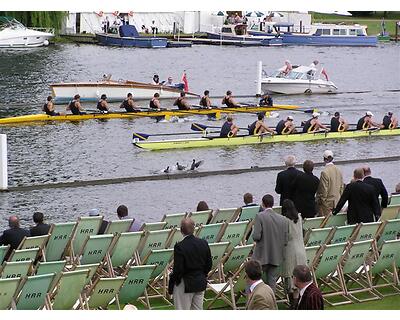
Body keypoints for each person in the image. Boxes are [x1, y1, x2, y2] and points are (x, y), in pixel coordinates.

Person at [168, 218, 212, 310]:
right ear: (194, 229)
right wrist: (202, 275)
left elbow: (178, 270)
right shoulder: (203, 243)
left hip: (185, 284)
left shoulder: (180, 246)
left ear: (181, 230)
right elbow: (209, 264)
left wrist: (173, 281)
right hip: (200, 282)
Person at [252, 194, 289, 292]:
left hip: (261, 255)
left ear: (263, 204)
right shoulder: (283, 219)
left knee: (255, 280)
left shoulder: (259, 216)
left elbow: (256, 236)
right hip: (276, 255)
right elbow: (285, 240)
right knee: (272, 282)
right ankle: (271, 302)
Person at [281, 199, 307, 309]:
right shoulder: (299, 218)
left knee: (290, 277)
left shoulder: (285, 220)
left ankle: (293, 304)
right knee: (299, 276)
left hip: (290, 250)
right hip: (301, 249)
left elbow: (285, 237)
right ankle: (296, 303)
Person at [316, 150, 344, 216]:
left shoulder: (324, 172)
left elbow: (324, 190)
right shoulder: (339, 170)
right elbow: (341, 187)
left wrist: (322, 202)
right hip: (338, 201)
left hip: (328, 204)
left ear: (324, 159)